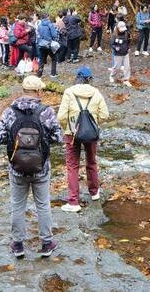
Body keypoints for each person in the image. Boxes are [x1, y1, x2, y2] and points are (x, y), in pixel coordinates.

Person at [0, 75, 63, 259]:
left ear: (23, 90)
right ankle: (47, 243)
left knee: (17, 205)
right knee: (43, 204)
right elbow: (58, 138)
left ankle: (17, 245)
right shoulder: (46, 111)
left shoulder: (10, 111)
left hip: (16, 167)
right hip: (41, 167)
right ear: (38, 91)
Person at [57, 66, 109, 212]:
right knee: (91, 162)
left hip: (72, 133)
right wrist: (94, 124)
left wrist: (68, 128)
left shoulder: (69, 92)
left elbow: (61, 116)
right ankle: (94, 193)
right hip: (91, 134)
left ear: (77, 78)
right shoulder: (96, 93)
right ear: (89, 79)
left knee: (72, 166)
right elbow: (105, 115)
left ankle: (73, 202)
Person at [36, 12, 59, 78]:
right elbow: (54, 35)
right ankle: (53, 74)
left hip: (41, 44)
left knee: (42, 60)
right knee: (54, 58)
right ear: (47, 17)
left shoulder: (39, 25)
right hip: (49, 44)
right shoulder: (50, 25)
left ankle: (39, 75)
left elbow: (38, 34)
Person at [110, 21, 132, 87]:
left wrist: (128, 48)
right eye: (121, 29)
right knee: (117, 67)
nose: (122, 31)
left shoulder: (126, 33)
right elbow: (111, 44)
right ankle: (112, 76)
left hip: (125, 53)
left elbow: (128, 42)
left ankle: (126, 80)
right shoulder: (114, 35)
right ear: (118, 28)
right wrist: (115, 47)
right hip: (118, 54)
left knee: (127, 67)